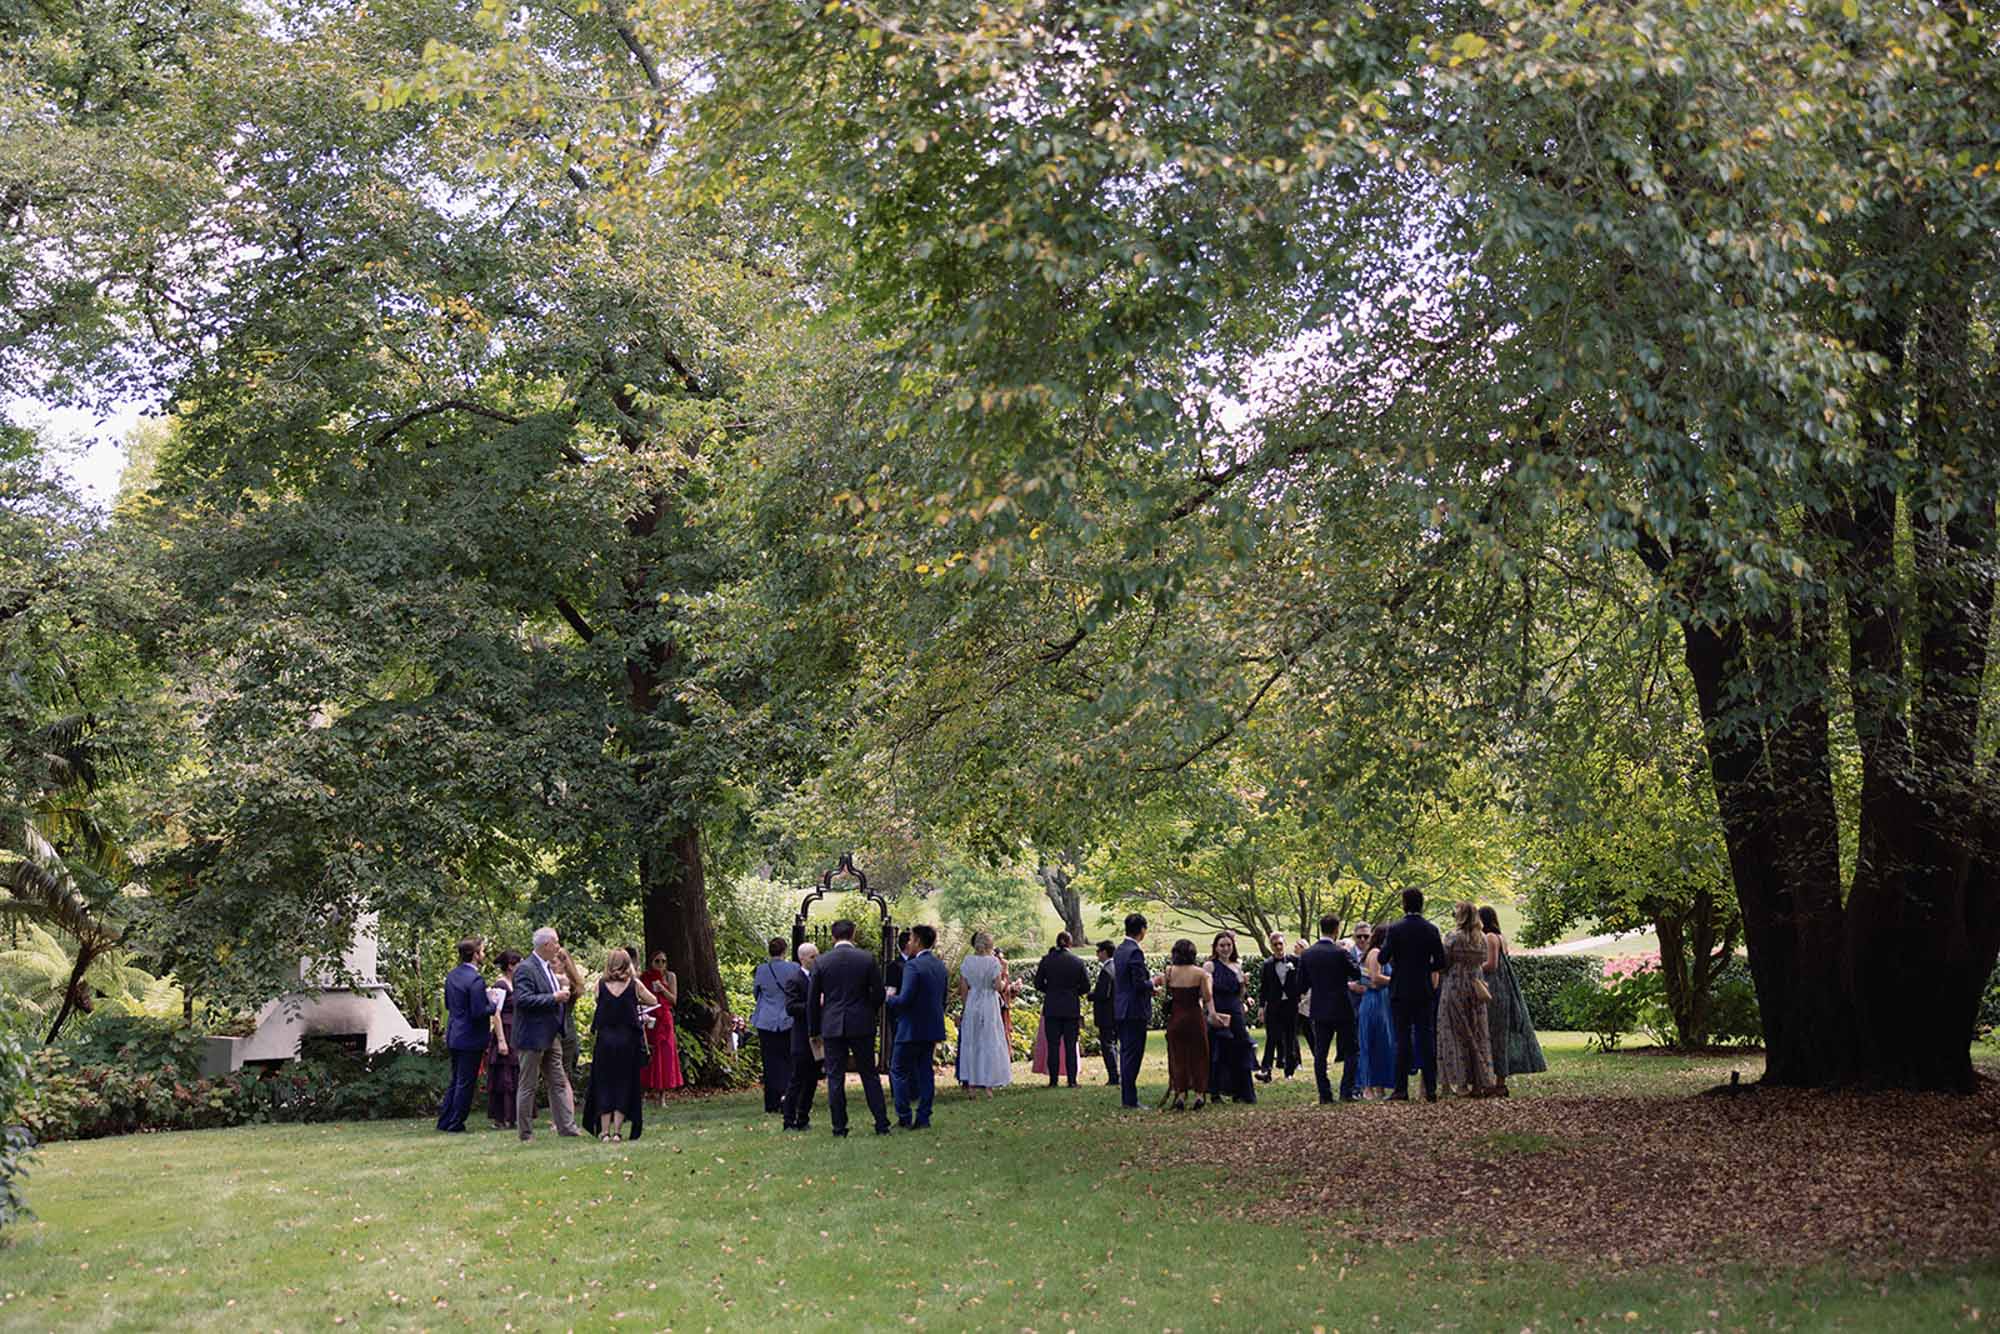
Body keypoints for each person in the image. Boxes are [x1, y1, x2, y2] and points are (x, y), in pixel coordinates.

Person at [811, 919, 891, 1136]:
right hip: (861, 1023)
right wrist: (868, 1010)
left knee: (835, 1077)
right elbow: (879, 993)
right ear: (853, 934)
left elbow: (812, 999)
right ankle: (881, 1123)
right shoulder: (866, 959)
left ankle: (839, 1126)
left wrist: (814, 1029)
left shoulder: (822, 961)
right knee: (869, 1074)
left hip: (832, 1024)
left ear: (833, 936)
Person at [1376, 889, 1448, 1101]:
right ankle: (1430, 1089)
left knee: (1402, 1039)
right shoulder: (1431, 929)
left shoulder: (1395, 929)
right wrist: (1424, 968)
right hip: (1423, 989)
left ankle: (1401, 1088)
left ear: (1404, 904)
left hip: (1400, 989)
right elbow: (1441, 961)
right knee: (1426, 1038)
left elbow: (1382, 958)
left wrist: (1399, 963)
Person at [513, 926, 581, 1140]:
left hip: (551, 1036)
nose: (558, 946)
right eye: (556, 942)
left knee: (559, 1082)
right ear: (546, 944)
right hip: (532, 1037)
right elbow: (522, 1000)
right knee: (528, 1086)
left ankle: (567, 1128)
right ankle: (525, 1133)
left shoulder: (547, 968)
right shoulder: (525, 969)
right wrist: (554, 997)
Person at [583, 948, 657, 1141]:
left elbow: (599, 1002)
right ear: (627, 964)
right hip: (627, 1041)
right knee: (624, 1083)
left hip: (605, 1041)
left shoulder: (600, 985)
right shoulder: (634, 984)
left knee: (604, 1083)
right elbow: (653, 1000)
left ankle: (604, 1132)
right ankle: (617, 1132)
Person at [1479, 905, 1546, 1094]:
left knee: (1494, 1034)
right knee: (1500, 1034)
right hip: (1505, 987)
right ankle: (1499, 1082)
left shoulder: (1490, 937)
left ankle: (1495, 1083)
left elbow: (1492, 965)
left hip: (1495, 987)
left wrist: (1472, 967)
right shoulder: (1501, 937)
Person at [886, 923, 947, 1128]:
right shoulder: (939, 965)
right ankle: (924, 1116)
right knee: (925, 1071)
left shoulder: (912, 966)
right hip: (932, 1026)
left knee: (898, 1070)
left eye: (911, 939)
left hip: (911, 1027)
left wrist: (889, 998)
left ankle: (904, 1116)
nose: (909, 943)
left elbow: (905, 999)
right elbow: (943, 999)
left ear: (918, 941)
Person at [1298, 915, 1363, 1103]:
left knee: (1321, 1053)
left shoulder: (1308, 954)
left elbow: (1301, 984)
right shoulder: (1341, 953)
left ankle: (1324, 1094)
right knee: (1351, 1050)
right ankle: (1346, 1090)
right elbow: (1356, 973)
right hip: (1342, 1007)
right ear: (1336, 929)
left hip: (1319, 1007)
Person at [1436, 901, 1498, 1098]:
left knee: (1453, 1034)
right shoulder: (1482, 938)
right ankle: (1480, 1081)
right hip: (1476, 987)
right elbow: (1483, 961)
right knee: (1477, 1033)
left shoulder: (1453, 937)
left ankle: (1460, 1083)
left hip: (1455, 986)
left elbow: (1443, 963)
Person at [437, 935, 495, 1133]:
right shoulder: (476, 979)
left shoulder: (452, 976)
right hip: (471, 1036)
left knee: (456, 1080)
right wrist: (493, 1003)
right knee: (466, 1082)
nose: (484, 954)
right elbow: (479, 1011)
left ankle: (445, 1120)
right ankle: (456, 1123)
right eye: (482, 951)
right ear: (476, 954)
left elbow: (448, 1004)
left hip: (455, 1032)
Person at [955, 931, 1013, 1094]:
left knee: (972, 1040)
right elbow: (997, 986)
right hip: (989, 1002)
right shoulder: (993, 962)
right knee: (989, 1039)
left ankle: (971, 1085)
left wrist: (966, 1006)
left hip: (973, 1000)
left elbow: (963, 987)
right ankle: (988, 1084)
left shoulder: (968, 961)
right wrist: (1005, 980)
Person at [1204, 932, 1257, 1103]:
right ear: (1215, 947)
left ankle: (1242, 1092)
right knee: (1219, 1052)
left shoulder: (1237, 966)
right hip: (1219, 1012)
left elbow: (1240, 994)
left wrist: (1243, 984)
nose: (1225, 948)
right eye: (1222, 945)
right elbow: (1207, 993)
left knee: (1241, 1049)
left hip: (1236, 1012)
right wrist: (1212, 1013)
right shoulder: (1210, 966)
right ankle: (1215, 1092)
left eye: (1228, 945)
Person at [1160, 939, 1214, 1111]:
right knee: (1199, 1055)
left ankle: (1181, 1093)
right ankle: (1199, 1093)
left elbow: (1165, 992)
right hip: (1194, 1017)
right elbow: (1207, 996)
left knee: (1178, 1056)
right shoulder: (1200, 973)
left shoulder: (1169, 971)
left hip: (1176, 1017)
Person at [1032, 932, 1090, 1087]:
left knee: (1053, 1045)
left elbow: (1038, 983)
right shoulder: (1077, 962)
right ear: (1070, 943)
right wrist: (1074, 992)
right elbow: (1086, 986)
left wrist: (1050, 991)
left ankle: (1053, 1080)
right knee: (1070, 1045)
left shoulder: (1046, 960)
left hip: (1052, 1007)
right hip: (1071, 1007)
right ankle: (1072, 1080)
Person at [751, 936, 800, 1116]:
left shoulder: (761, 969)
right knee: (789, 1061)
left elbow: (756, 993)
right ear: (785, 951)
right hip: (788, 1019)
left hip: (766, 1020)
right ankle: (788, 1099)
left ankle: (771, 1102)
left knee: (770, 1062)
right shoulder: (793, 968)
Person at [1113, 913, 1154, 1109]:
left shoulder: (1120, 949)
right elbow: (1139, 984)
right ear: (1142, 930)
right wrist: (1153, 982)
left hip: (1121, 1007)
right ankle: (1130, 1099)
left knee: (1125, 1053)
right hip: (1134, 1010)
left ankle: (1127, 1097)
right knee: (1133, 1055)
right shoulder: (1135, 952)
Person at [1353, 924, 1397, 1099]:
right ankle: (1367, 1087)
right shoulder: (1375, 953)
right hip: (1374, 1002)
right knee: (1371, 1042)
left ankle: (1380, 1085)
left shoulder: (1381, 954)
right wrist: (1397, 979)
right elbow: (1375, 978)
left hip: (1383, 1001)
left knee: (1383, 1043)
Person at [781, 942, 820, 1131]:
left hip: (817, 1035)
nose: (816, 960)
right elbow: (791, 1007)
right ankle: (789, 1119)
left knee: (812, 1079)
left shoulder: (818, 978)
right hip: (801, 1036)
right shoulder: (794, 980)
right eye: (812, 957)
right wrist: (814, 1005)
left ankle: (803, 1117)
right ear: (802, 958)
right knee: (797, 1078)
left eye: (817, 956)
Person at [639, 949, 683, 1101]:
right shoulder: (644, 977)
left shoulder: (670, 976)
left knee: (664, 1055)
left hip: (665, 1019)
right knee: (648, 1054)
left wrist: (662, 989)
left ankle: (662, 1095)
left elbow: (674, 1000)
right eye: (657, 961)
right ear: (651, 962)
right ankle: (643, 1092)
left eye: (663, 961)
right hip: (650, 1018)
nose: (660, 964)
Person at [486, 947, 523, 1130]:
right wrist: (501, 1040)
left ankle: (515, 1116)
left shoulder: (517, 983)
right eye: (519, 963)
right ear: (510, 965)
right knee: (504, 1075)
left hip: (517, 1031)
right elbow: (496, 1013)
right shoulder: (500, 985)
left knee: (516, 1073)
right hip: (505, 1031)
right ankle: (502, 1117)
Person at [1257, 932, 1299, 1082]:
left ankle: (1289, 1071)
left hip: (1291, 1005)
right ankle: (1266, 1070)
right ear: (1271, 946)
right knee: (1271, 1038)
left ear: (1284, 944)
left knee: (1290, 1037)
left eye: (1280, 943)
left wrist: (1300, 995)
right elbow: (1264, 988)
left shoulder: (1295, 961)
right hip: (1274, 1005)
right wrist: (1261, 1007)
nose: (1278, 947)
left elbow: (1303, 979)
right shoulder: (1267, 964)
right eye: (1275, 945)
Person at [885, 929, 913, 1111]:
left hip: (915, 1015)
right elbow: (890, 993)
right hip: (900, 1015)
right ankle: (900, 1089)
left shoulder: (918, 963)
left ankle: (913, 1087)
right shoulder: (895, 966)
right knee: (899, 1052)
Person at [554, 944, 588, 1086]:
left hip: (563, 1029)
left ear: (563, 964)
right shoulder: (573, 983)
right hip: (566, 1027)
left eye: (553, 962)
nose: (550, 965)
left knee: (563, 1070)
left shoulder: (566, 984)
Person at [1090, 940, 1120, 1086]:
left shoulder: (1106, 970)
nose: (1097, 955)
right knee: (1114, 1044)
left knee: (1107, 1045)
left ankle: (1113, 1075)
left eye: (1098, 952)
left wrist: (1090, 995)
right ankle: (1117, 1073)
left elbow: (1102, 994)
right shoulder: (1117, 967)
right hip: (1117, 1012)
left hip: (1106, 1014)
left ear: (1104, 952)